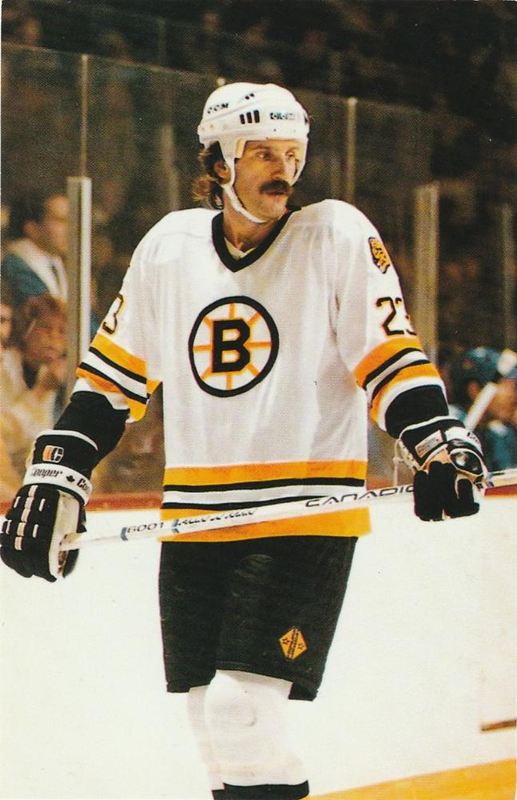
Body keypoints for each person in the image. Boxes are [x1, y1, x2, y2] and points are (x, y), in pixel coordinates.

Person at [1, 82, 488, 800]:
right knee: (211, 720)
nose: (283, 170)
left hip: (302, 513)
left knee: (240, 711)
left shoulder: (336, 235)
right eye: (262, 153)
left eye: (292, 153)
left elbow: (388, 355)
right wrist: (58, 469)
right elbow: (111, 379)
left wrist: (435, 438)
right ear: (218, 162)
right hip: (196, 516)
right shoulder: (169, 248)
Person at [1, 293, 67, 476]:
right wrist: (40, 391)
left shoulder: (47, 373)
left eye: (62, 331)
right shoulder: (4, 366)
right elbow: (5, 437)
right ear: (26, 329)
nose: (54, 337)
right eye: (46, 328)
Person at [449, 346, 517, 471]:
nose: (513, 396)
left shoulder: (495, 434)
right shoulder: (450, 426)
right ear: (474, 390)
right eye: (506, 385)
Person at [2, 191, 69, 308]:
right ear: (33, 228)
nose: (70, 229)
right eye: (60, 221)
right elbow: (51, 313)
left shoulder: (55, 262)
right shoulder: (16, 267)